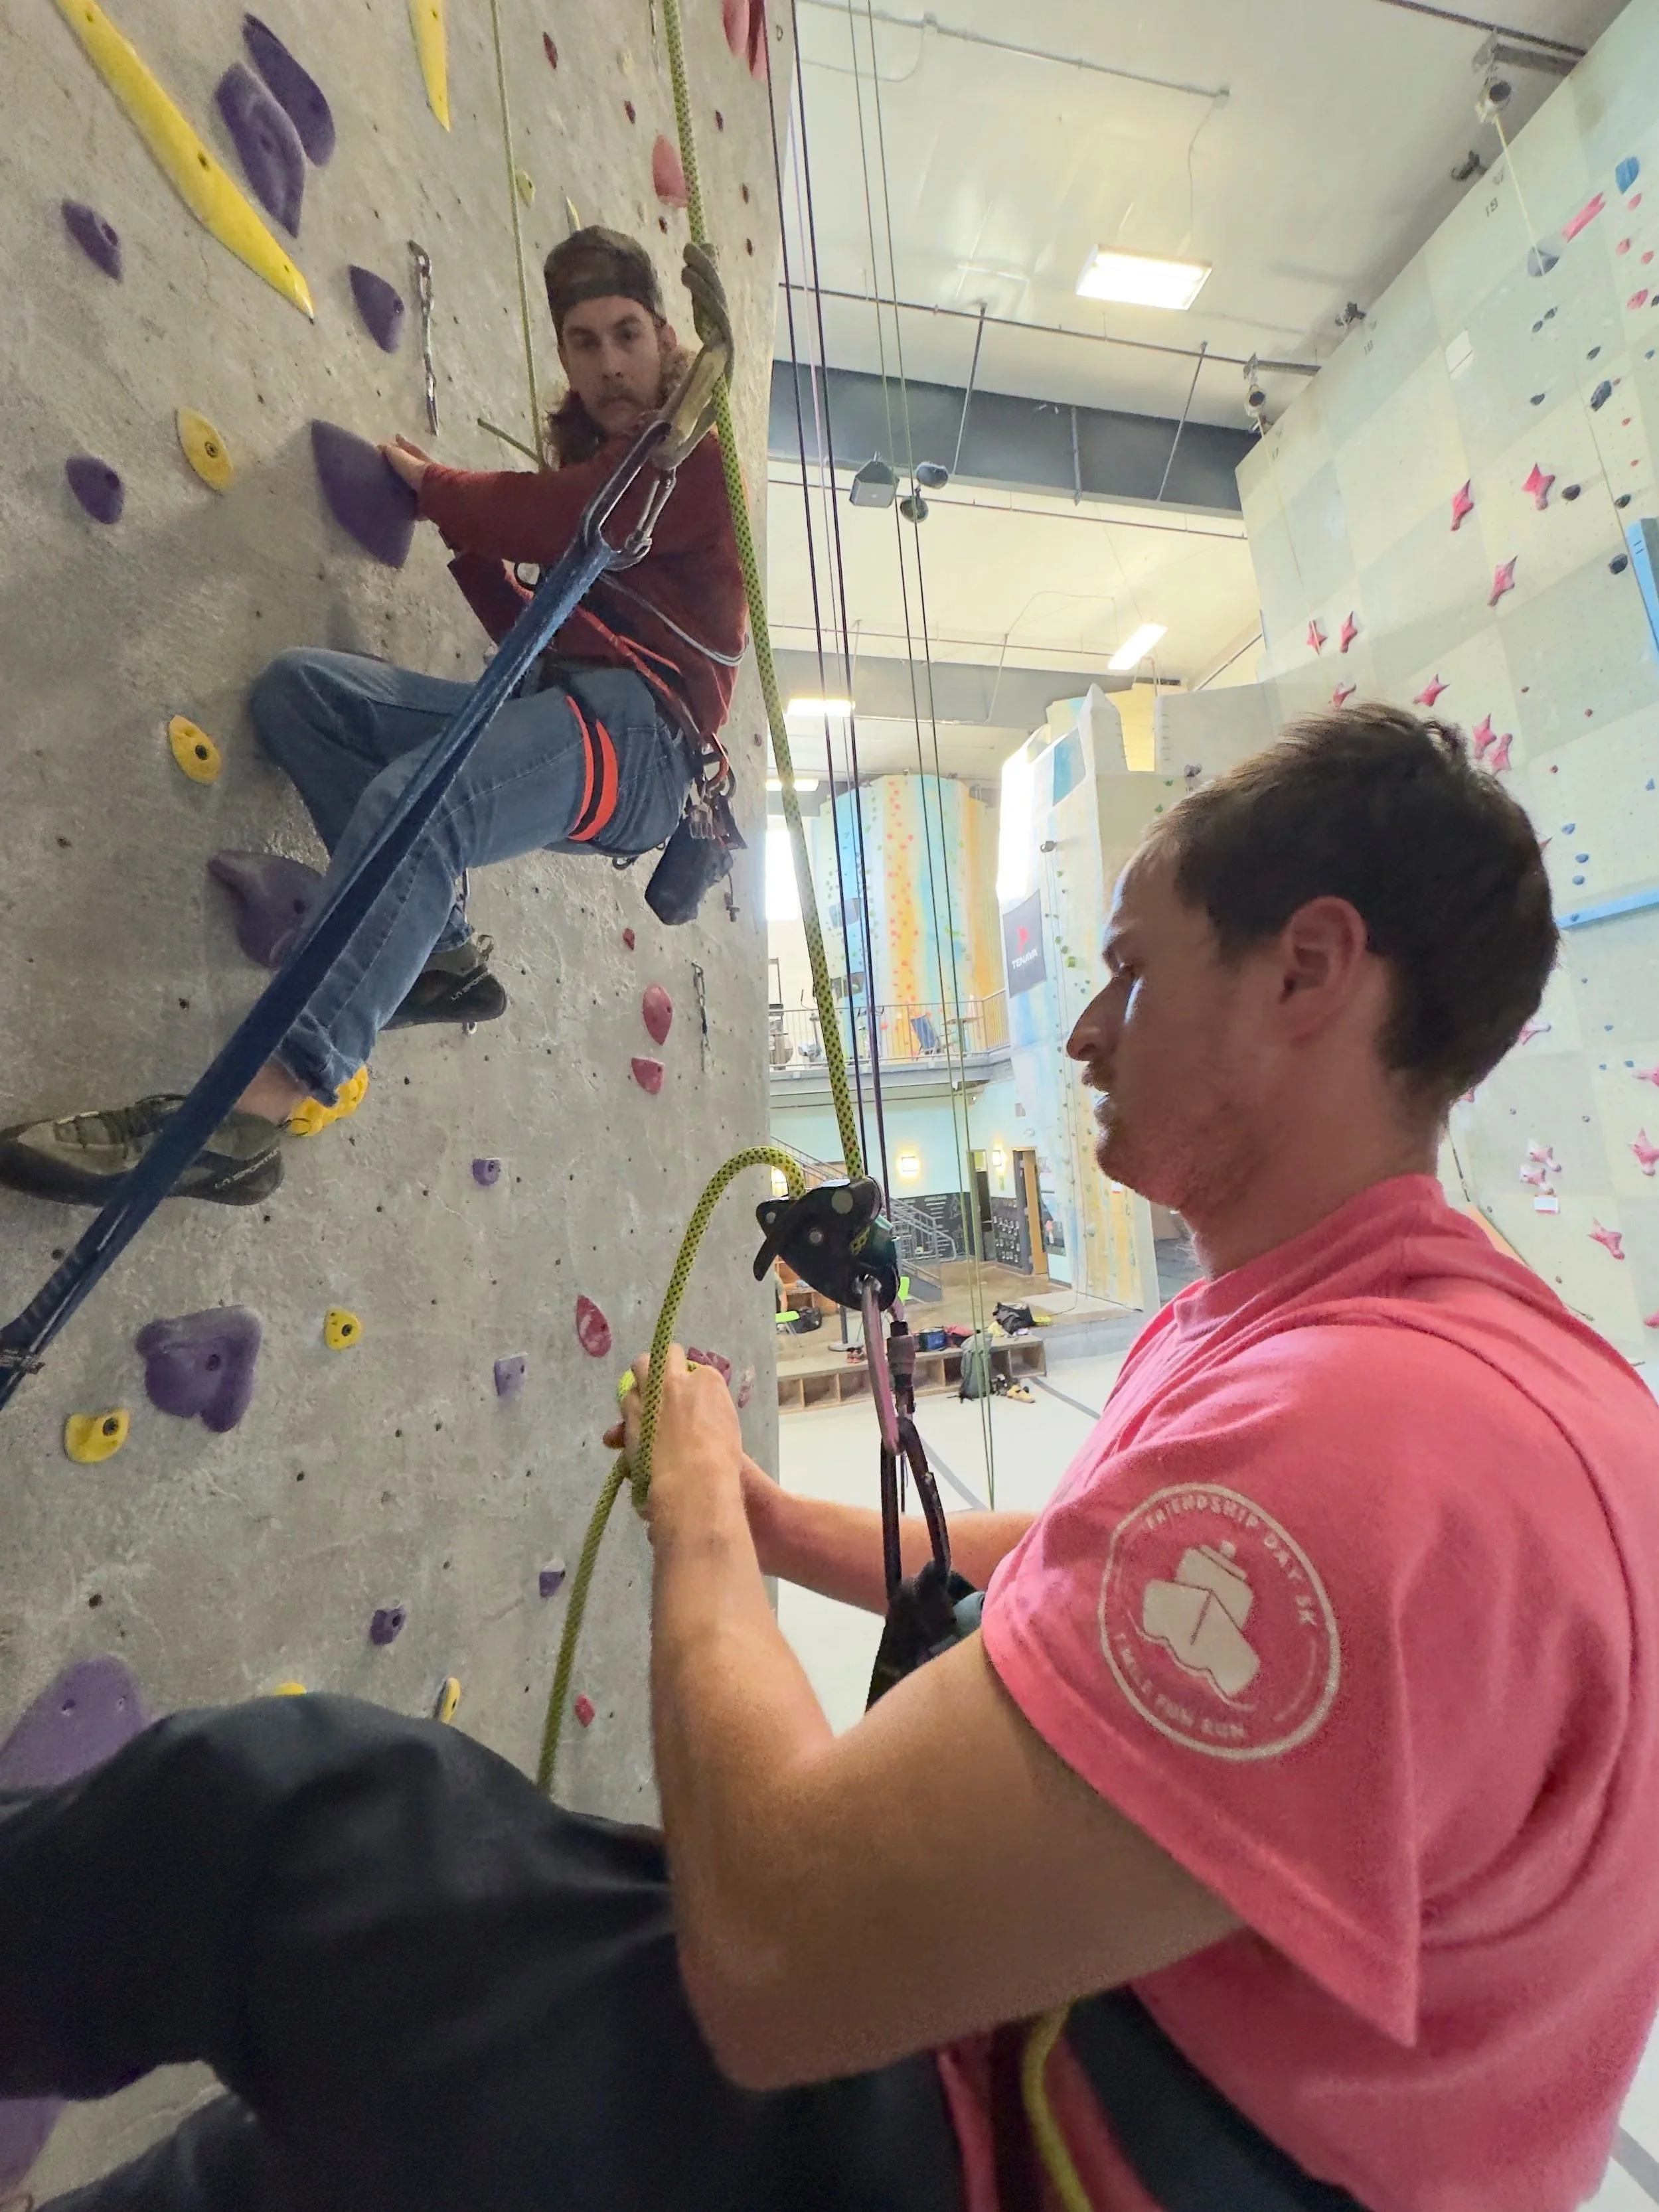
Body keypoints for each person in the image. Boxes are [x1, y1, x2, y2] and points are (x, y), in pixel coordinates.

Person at [5, 705, 1659, 2212]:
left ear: (1308, 973)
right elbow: (1090, 1552)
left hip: (1057, 2147)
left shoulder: (1375, 1447)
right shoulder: (1377, 1337)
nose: (1083, 1031)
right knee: (305, 2159)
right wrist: (777, 1520)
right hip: (1114, 2082)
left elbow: (780, 1945)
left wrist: (698, 1519)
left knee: (290, 1825)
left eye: (1135, 972)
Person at [0, 229, 744, 1212]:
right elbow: (541, 626)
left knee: (417, 803)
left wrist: (439, 493)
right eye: (582, 343)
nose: (608, 364)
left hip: (647, 746)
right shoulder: (609, 473)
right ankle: (437, 952)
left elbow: (571, 519)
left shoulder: (687, 465)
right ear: (562, 355)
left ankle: (263, 1109)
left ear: (662, 336)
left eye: (626, 335)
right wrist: (472, 546)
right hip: (568, 706)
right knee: (304, 694)